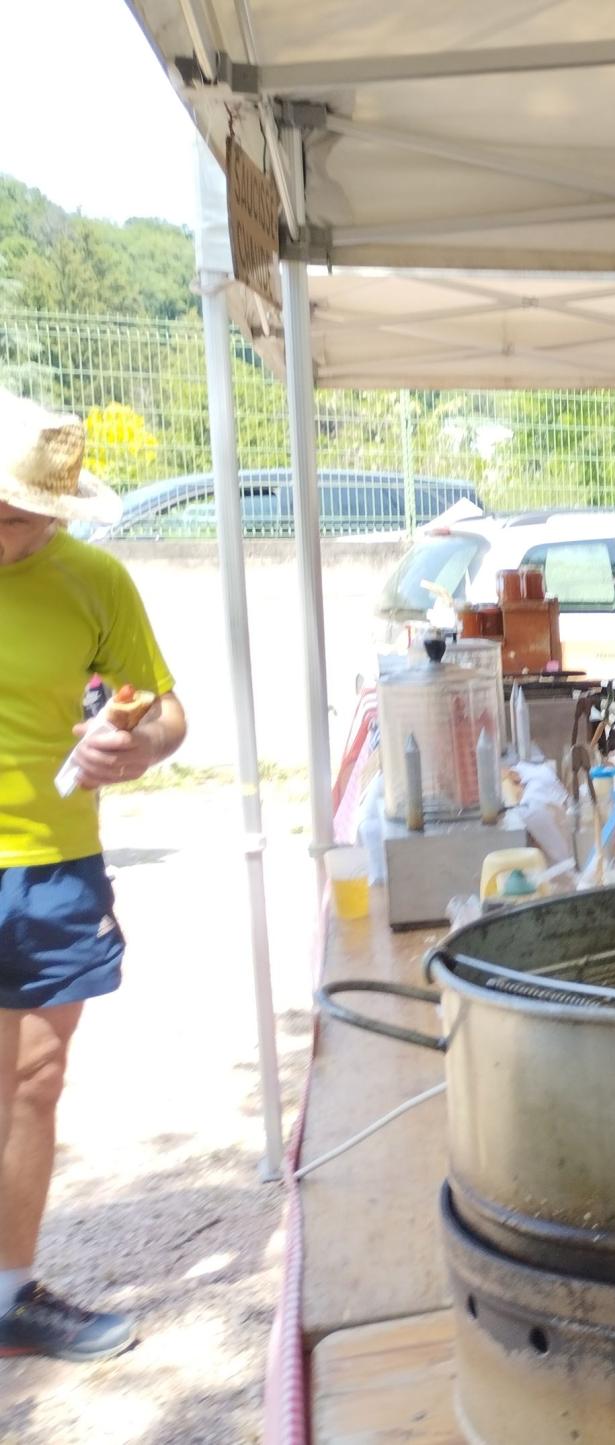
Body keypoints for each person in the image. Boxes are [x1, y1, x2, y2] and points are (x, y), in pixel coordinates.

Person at [0, 394, 187, 1359]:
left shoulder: (94, 579)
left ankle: (8, 1294)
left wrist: (138, 745)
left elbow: (162, 709)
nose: (4, 532)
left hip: (50, 861)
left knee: (32, 1079)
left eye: (23, 518)